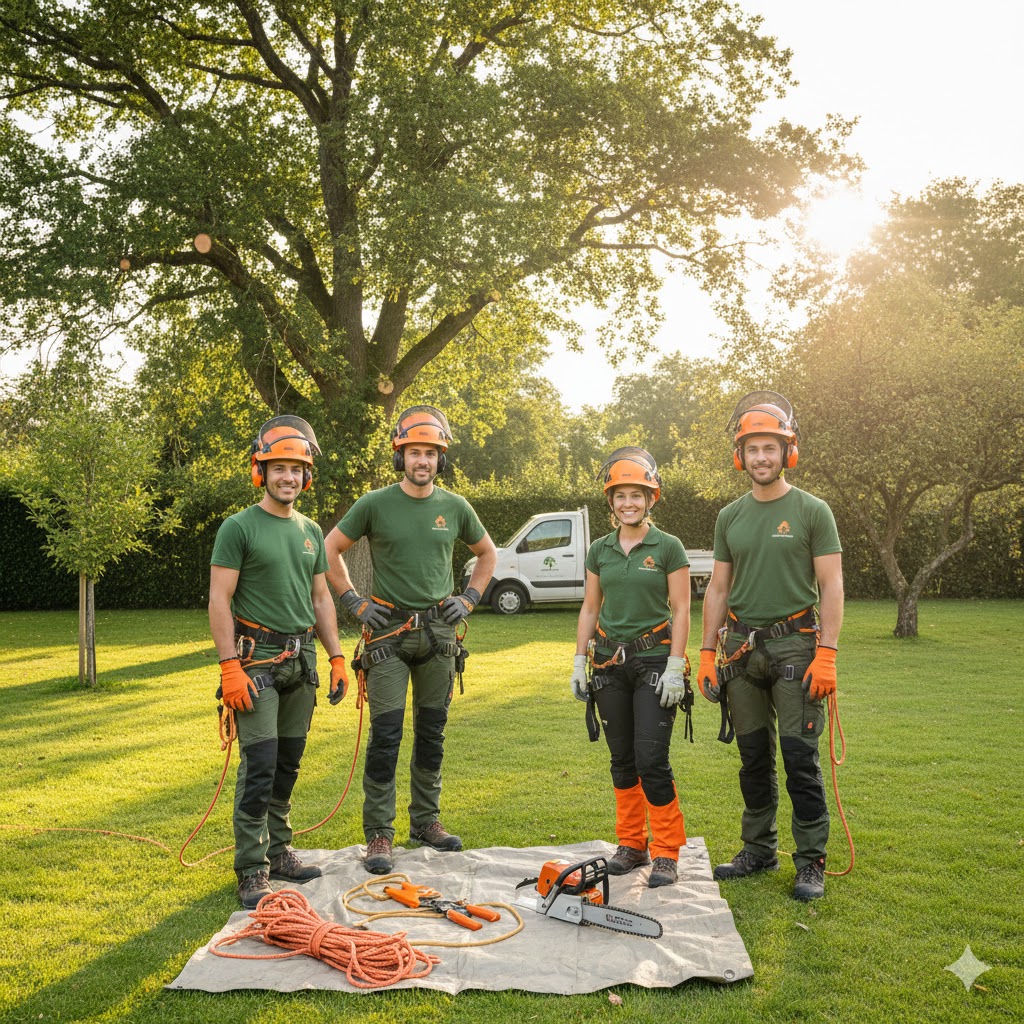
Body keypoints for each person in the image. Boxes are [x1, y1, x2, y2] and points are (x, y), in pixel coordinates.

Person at [324, 405, 497, 874]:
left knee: (431, 733)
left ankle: (426, 821)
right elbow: (330, 549)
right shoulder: (374, 504)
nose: (422, 461)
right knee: (386, 735)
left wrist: (472, 597)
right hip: (388, 634)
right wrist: (354, 602)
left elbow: (487, 553)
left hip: (439, 633)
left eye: (431, 453)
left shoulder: (456, 506)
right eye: (414, 452)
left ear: (441, 460)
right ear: (400, 457)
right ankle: (380, 833)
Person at [696, 391, 843, 902]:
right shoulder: (729, 516)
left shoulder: (812, 510)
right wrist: (708, 654)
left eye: (770, 448)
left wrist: (827, 653)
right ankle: (757, 849)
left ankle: (810, 862)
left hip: (796, 650)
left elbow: (832, 586)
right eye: (752, 448)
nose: (761, 457)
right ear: (741, 456)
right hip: (740, 652)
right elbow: (716, 588)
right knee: (753, 756)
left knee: (799, 759)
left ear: (788, 452)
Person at [209, 415, 349, 909]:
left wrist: (335, 657)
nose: (288, 477)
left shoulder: (311, 531)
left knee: (288, 763)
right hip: (255, 665)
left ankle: (281, 850)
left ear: (306, 477)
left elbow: (321, 599)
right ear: (260, 472)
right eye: (278, 468)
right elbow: (219, 600)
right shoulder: (238, 528)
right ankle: (251, 867)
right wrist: (229, 666)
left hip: (300, 662)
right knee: (261, 765)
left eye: (296, 469)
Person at [570, 447, 692, 888]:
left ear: (651, 498)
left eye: (637, 495)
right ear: (611, 501)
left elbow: (682, 609)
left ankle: (665, 852)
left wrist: (676, 665)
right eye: (620, 496)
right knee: (622, 759)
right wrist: (580, 659)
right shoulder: (599, 550)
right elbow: (589, 608)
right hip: (608, 664)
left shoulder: (668, 547)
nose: (628, 503)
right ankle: (631, 844)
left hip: (655, 661)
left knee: (652, 758)